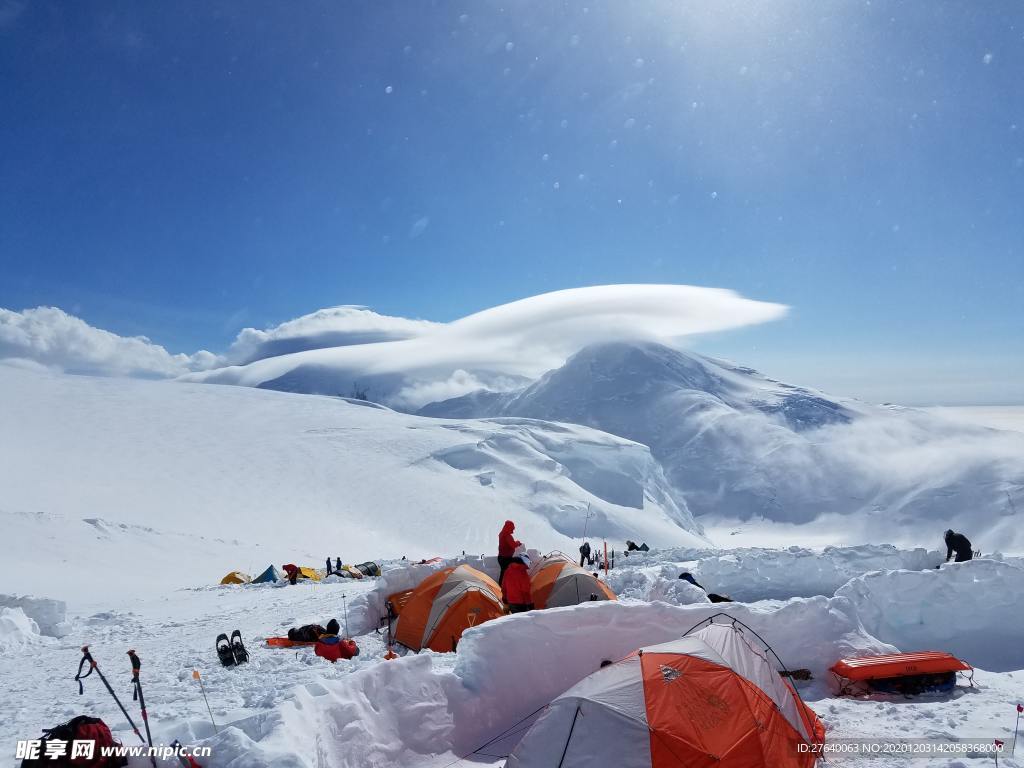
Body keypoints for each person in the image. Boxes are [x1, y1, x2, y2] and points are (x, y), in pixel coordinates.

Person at [498, 520, 521, 586]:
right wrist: (518, 542)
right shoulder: (507, 535)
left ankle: (501, 586)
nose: (512, 530)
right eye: (512, 528)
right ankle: (505, 586)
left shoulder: (502, 533)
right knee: (519, 561)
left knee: (503, 573)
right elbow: (513, 545)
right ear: (509, 527)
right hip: (506, 558)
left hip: (501, 557)